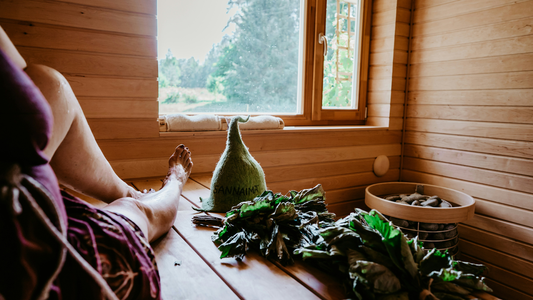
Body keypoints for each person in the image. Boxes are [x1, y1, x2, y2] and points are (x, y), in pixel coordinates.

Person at [0, 26, 191, 299]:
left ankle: (128, 193)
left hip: (21, 204)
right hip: (46, 255)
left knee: (46, 82)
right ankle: (173, 181)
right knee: (141, 213)